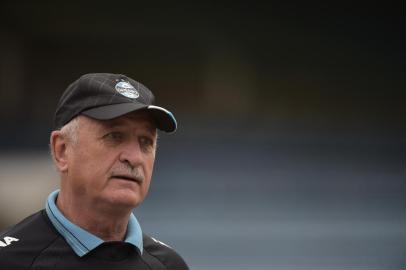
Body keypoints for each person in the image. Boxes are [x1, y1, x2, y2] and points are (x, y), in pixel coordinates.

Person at [0, 73, 189, 270]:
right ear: (62, 150)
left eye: (145, 142)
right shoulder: (8, 260)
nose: (135, 158)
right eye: (115, 136)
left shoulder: (169, 265)